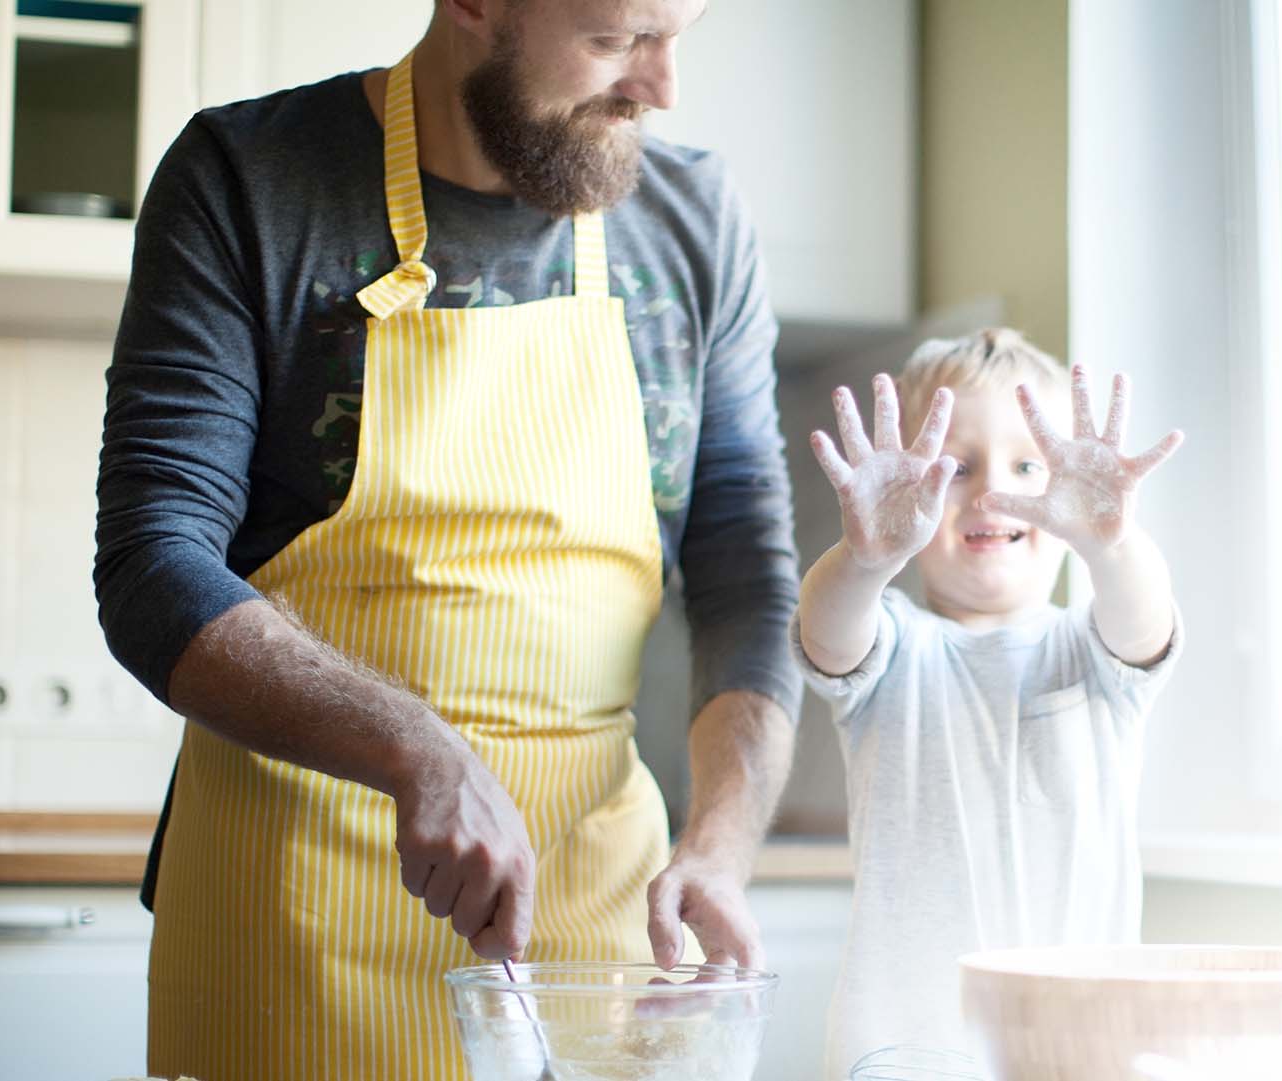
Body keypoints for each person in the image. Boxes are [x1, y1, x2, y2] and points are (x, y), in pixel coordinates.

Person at [92, 1, 801, 1077]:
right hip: (297, 912)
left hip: (594, 930)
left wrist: (723, 839)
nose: (660, 87)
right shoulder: (249, 176)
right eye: (617, 41)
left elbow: (750, 578)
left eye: (677, 34)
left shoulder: (696, 218)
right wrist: (415, 751)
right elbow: (153, 563)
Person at [791, 328, 1186, 1076]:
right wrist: (864, 557)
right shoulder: (894, 649)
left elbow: (1147, 618)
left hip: (1082, 1050)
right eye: (955, 465)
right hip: (901, 1054)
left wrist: (1112, 543)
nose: (986, 491)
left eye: (1027, 465)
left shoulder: (1095, 652)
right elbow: (828, 630)